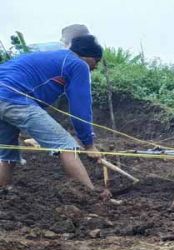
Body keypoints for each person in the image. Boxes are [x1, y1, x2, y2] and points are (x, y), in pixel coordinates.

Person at [0, 35, 111, 200]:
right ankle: (91, 197)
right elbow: (80, 107)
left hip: (6, 96)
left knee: (7, 153)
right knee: (66, 146)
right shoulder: (78, 64)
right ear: (88, 57)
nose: (94, 68)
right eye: (97, 61)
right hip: (14, 99)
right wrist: (89, 144)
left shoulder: (52, 57)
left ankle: (4, 194)